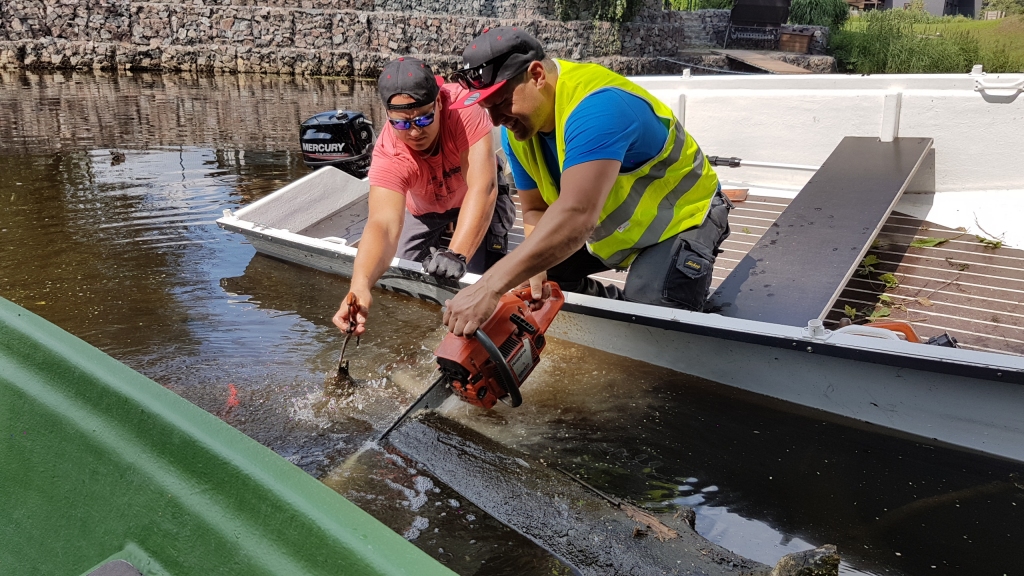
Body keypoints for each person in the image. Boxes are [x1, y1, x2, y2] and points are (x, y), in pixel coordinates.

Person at [442, 27, 732, 336]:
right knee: (540, 277)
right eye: (487, 109)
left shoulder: (598, 108)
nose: (497, 121)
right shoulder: (521, 132)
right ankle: (618, 314)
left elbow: (577, 215)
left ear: (537, 74)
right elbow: (536, 209)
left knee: (653, 317)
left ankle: (663, 302)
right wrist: (533, 269)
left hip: (684, 216)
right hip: (616, 229)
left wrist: (491, 285)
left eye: (501, 102)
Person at [332, 56, 515, 336]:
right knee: (402, 280)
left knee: (473, 285)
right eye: (402, 124)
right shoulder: (388, 152)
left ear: (439, 102)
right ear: (387, 116)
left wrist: (456, 254)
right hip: (427, 208)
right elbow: (383, 224)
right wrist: (359, 285)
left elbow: (482, 189)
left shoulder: (464, 107)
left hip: (474, 197)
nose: (415, 132)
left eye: (424, 119)